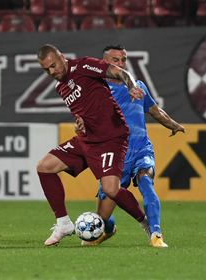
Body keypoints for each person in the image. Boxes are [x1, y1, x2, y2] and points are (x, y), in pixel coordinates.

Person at [36, 44, 152, 246]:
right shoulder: (60, 87)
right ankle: (63, 223)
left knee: (111, 190)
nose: (52, 71)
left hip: (111, 138)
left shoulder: (83, 66)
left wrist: (131, 86)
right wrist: (79, 124)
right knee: (44, 167)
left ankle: (146, 223)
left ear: (62, 57)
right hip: (87, 139)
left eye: (53, 65)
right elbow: (81, 111)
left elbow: (119, 71)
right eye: (46, 69)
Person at [75, 44, 185, 247]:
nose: (121, 64)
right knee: (103, 217)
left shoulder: (138, 87)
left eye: (123, 60)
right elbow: (83, 120)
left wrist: (174, 125)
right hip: (115, 156)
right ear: (104, 64)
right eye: (115, 60)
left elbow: (155, 111)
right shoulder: (96, 90)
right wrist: (81, 125)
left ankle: (156, 234)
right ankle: (107, 230)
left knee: (145, 181)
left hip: (141, 149)